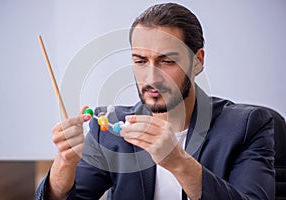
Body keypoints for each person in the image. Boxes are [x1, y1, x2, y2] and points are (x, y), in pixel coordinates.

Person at [35, 3, 275, 200]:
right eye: (140, 61)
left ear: (198, 61)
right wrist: (64, 165)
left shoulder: (247, 127)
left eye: (167, 61)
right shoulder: (110, 129)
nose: (151, 78)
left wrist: (178, 162)